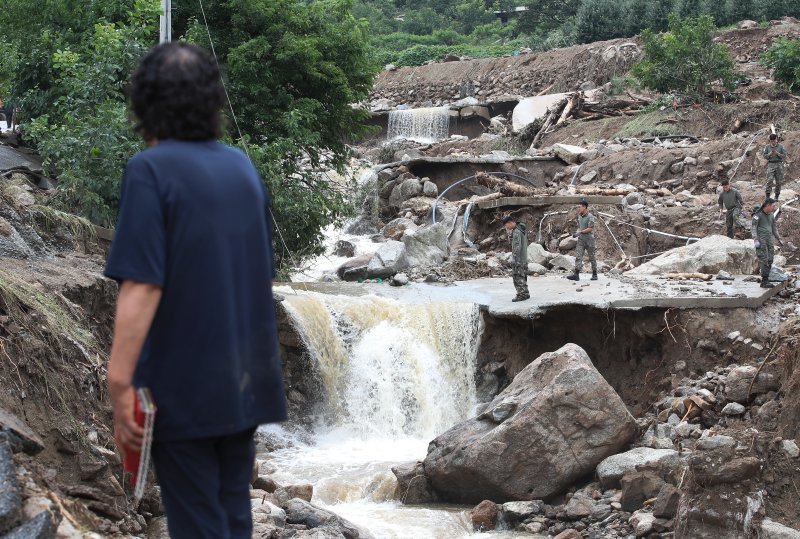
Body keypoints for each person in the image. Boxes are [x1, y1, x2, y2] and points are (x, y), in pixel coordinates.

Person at [104, 43, 287, 539]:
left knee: (198, 524)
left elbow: (142, 283)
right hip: (243, 384)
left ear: (145, 102)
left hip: (183, 386)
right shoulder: (243, 170)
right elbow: (256, 274)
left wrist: (119, 382)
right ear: (212, 99)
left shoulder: (151, 170)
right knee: (232, 515)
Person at [751, 198, 783, 289]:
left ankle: (766, 279)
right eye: (773, 206)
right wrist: (755, 239)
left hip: (769, 240)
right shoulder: (758, 215)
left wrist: (778, 238)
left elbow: (774, 227)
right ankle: (764, 280)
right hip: (761, 240)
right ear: (767, 205)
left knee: (770, 259)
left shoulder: (771, 215)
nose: (774, 208)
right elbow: (753, 228)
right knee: (763, 259)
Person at [567, 200, 597, 281]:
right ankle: (576, 275)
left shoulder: (590, 216)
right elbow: (580, 227)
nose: (578, 209)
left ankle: (595, 274)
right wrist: (577, 232)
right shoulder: (580, 216)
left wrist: (580, 232)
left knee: (592, 257)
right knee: (578, 256)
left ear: (584, 207)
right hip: (581, 240)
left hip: (589, 240)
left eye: (579, 207)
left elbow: (590, 228)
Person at [503, 215, 529, 302]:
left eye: (506, 225)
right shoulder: (521, 229)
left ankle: (522, 294)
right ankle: (525, 293)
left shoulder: (517, 232)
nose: (506, 227)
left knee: (517, 277)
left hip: (519, 259)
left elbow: (517, 247)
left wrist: (514, 258)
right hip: (524, 258)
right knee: (523, 276)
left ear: (510, 223)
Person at [763, 133, 786, 200]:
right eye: (771, 141)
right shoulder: (767, 147)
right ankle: (767, 196)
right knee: (769, 180)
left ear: (776, 139)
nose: (773, 142)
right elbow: (764, 156)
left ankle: (776, 196)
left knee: (778, 181)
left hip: (779, 164)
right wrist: (769, 154)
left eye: (774, 140)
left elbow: (784, 155)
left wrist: (778, 154)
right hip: (771, 165)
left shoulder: (780, 146)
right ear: (770, 140)